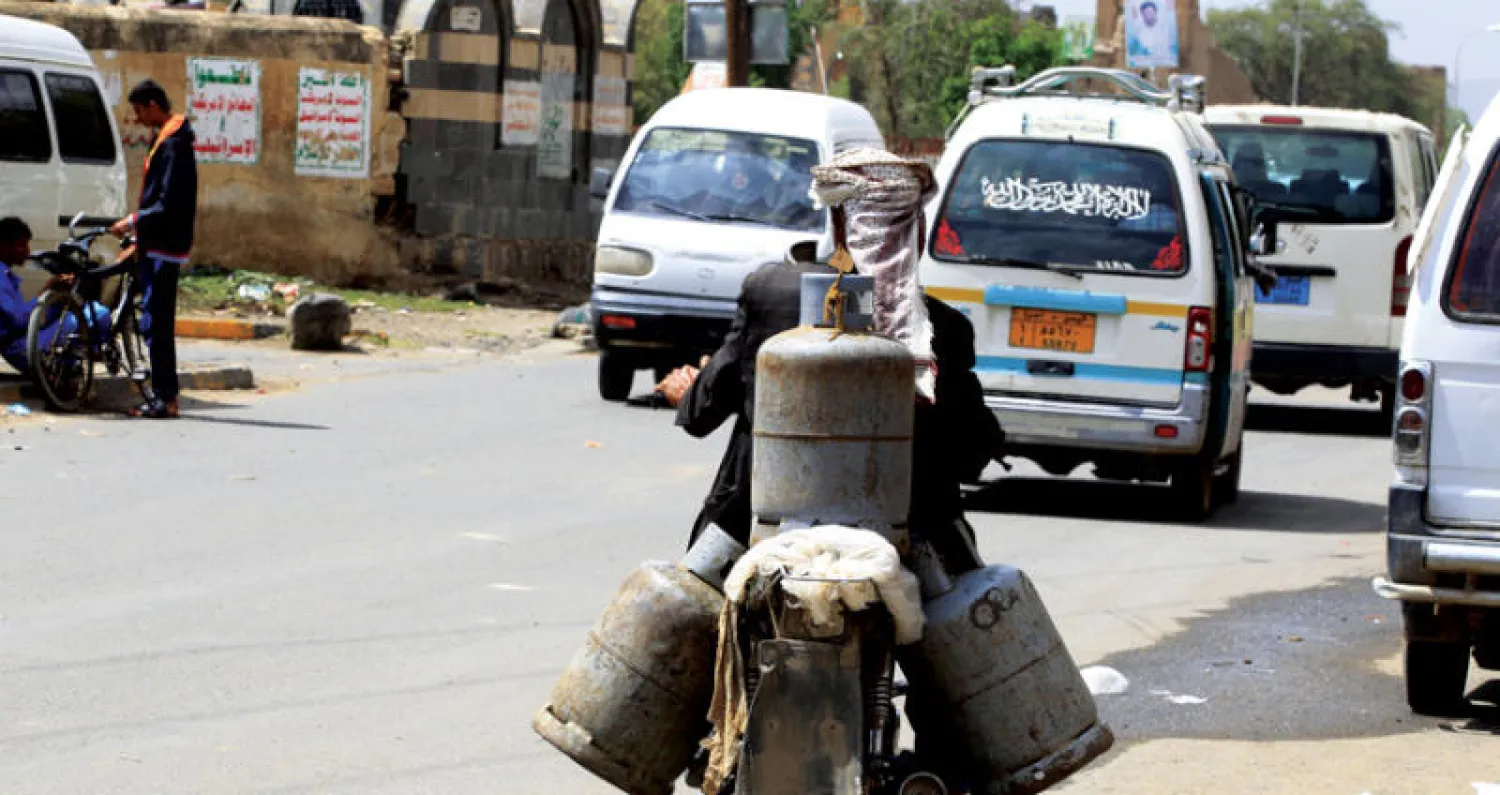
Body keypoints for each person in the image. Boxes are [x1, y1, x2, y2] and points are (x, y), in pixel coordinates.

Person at [659, 240, 1003, 567]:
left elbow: (702, 414)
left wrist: (692, 391)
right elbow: (971, 455)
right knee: (981, 594)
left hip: (759, 525)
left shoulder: (771, 292)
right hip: (906, 535)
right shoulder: (940, 324)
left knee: (681, 597)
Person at [111, 79, 197, 419]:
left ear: (152, 105)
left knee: (158, 324)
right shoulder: (167, 138)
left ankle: (166, 397)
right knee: (153, 321)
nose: (138, 118)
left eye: (139, 110)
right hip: (156, 242)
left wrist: (134, 221)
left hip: (165, 245)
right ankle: (164, 394)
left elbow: (168, 202)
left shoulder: (174, 144)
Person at [0, 217, 108, 374]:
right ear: (3, 246)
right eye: (20, 246)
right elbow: (20, 320)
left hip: (25, 339)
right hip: (20, 347)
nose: (27, 251)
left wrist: (55, 296)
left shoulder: (5, 274)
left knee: (91, 314)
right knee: (99, 315)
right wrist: (48, 291)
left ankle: (71, 364)